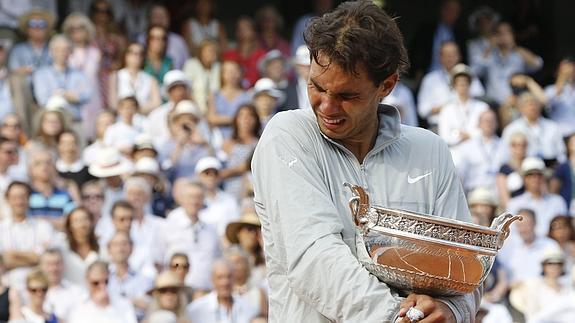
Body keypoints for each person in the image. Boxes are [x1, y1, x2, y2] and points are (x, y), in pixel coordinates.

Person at [251, 2, 480, 322]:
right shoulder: (286, 135)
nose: (327, 106)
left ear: (387, 85)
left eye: (346, 96)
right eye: (316, 87)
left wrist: (450, 311)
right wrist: (399, 318)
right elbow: (314, 258)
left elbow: (463, 269)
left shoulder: (431, 150)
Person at [0, 181, 55, 289]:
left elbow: (44, 258)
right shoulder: (1, 228)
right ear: (7, 199)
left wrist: (13, 255)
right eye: (15, 197)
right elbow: (4, 261)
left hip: (40, 289)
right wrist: (32, 258)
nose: (19, 202)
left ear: (29, 199)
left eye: (23, 197)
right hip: (8, 287)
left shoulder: (43, 226)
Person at [186, 259, 258, 323]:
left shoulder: (248, 307)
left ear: (234, 279)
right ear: (212, 280)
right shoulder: (196, 310)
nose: (225, 282)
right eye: (220, 277)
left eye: (229, 277)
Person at [67, 260, 137, 323]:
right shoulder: (78, 308)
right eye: (96, 283)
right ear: (87, 281)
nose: (102, 287)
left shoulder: (123, 304)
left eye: (106, 282)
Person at [39, 248, 85, 321]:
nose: (53, 269)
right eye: (49, 264)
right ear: (41, 266)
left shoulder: (77, 292)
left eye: (57, 263)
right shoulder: (32, 291)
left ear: (63, 265)